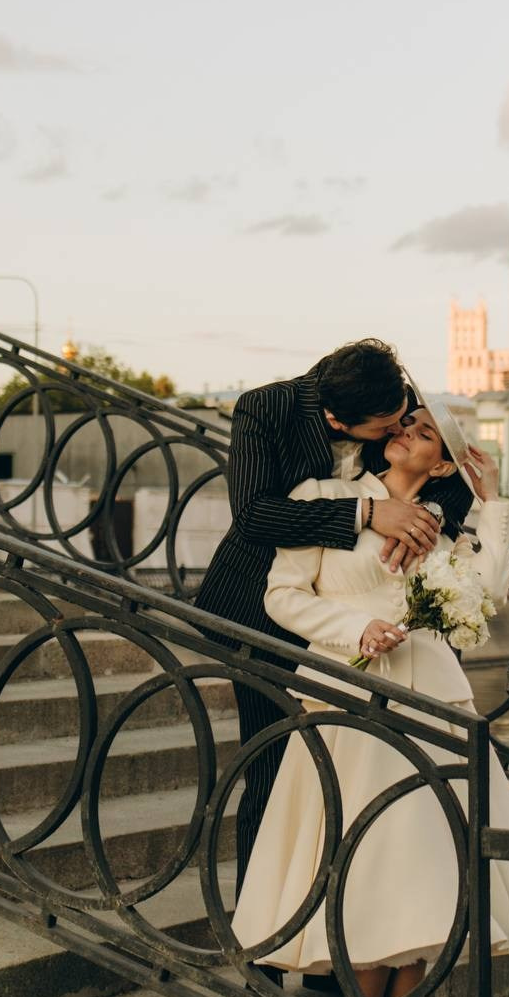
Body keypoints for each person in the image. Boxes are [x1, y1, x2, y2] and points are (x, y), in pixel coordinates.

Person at [231, 406, 509, 997]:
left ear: (443, 464)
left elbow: (489, 596)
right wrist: (357, 625)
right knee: (361, 866)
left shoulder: (444, 526)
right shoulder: (323, 500)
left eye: (422, 434)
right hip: (351, 698)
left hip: (432, 709)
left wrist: (494, 507)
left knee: (428, 872)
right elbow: (281, 596)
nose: (404, 434)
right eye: (405, 424)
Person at [195, 340, 473, 907]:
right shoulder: (262, 409)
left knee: (356, 790)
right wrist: (367, 512)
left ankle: (334, 949)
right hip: (263, 613)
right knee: (276, 778)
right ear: (337, 420)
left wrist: (424, 520)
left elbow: (451, 476)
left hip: (366, 621)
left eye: (405, 421)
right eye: (389, 427)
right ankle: (264, 951)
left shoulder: (386, 394)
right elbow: (254, 515)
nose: (400, 431)